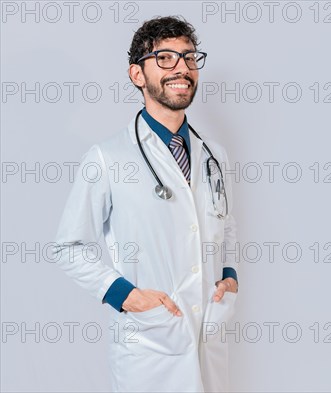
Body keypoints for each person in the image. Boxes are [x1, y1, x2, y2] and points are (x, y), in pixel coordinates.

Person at [53, 16, 239, 392]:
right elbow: (69, 247)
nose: (181, 69)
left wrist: (230, 276)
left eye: (188, 58)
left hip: (209, 337)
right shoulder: (106, 158)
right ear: (137, 75)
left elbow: (226, 224)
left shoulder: (214, 157)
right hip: (150, 344)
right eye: (165, 59)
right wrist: (127, 296)